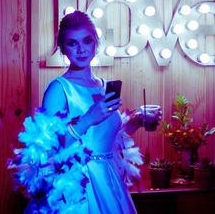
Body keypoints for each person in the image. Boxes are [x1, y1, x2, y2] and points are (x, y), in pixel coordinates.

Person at [23, 11, 143, 213]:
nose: (81, 49)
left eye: (87, 41)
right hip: (77, 186)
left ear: (96, 42)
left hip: (109, 180)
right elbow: (48, 149)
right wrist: (88, 119)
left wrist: (135, 122)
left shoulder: (103, 86)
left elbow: (105, 139)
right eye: (72, 43)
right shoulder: (59, 89)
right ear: (62, 48)